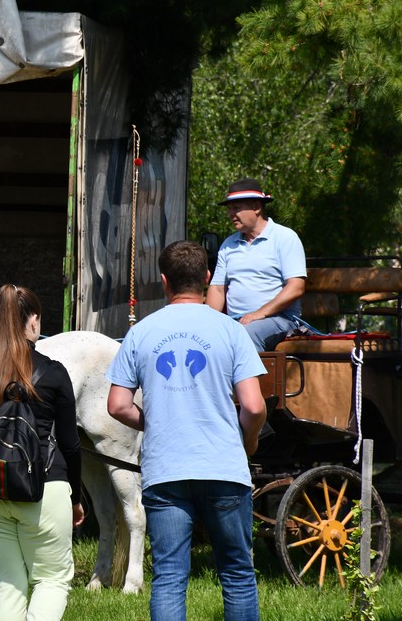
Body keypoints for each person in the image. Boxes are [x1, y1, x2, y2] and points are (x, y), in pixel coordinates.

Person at [107, 240, 267, 621]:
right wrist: (248, 440)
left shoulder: (142, 332)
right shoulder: (230, 331)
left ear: (164, 281)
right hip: (223, 467)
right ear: (207, 278)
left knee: (168, 577)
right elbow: (255, 405)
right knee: (238, 573)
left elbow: (117, 405)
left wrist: (156, 421)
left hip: (166, 470)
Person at [0, 285, 85, 621]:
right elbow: (70, 444)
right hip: (45, 488)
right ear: (33, 322)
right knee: (51, 579)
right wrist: (74, 497)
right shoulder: (55, 373)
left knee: (6, 584)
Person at [206, 177, 307, 351]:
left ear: (257, 207)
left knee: (246, 335)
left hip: (279, 320)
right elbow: (217, 289)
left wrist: (260, 313)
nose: (231, 214)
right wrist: (208, 323)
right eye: (229, 209)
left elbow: (296, 287)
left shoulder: (285, 238)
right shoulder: (228, 245)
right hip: (238, 322)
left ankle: (252, 379)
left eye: (236, 208)